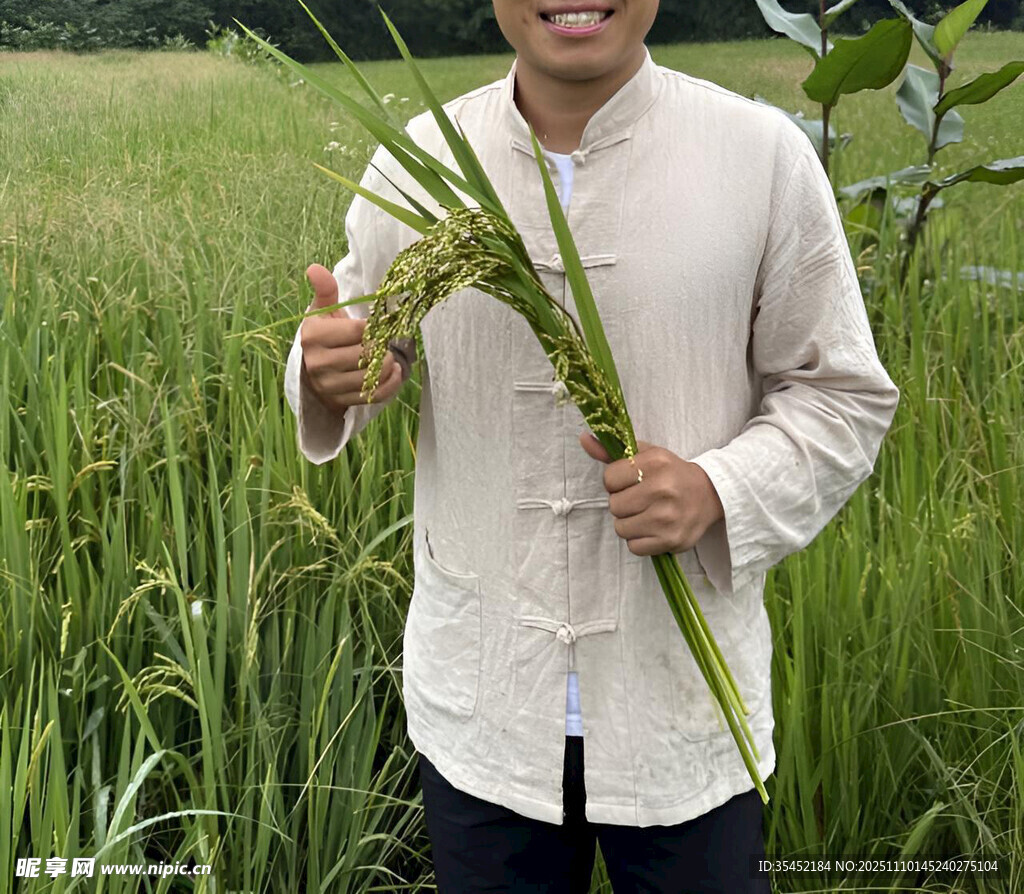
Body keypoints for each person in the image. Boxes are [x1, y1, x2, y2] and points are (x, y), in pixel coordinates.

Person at [283, 0, 900, 890]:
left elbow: (841, 393)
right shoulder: (419, 164)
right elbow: (366, 332)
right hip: (484, 705)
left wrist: (719, 489)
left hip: (683, 709)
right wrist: (335, 369)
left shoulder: (758, 156)